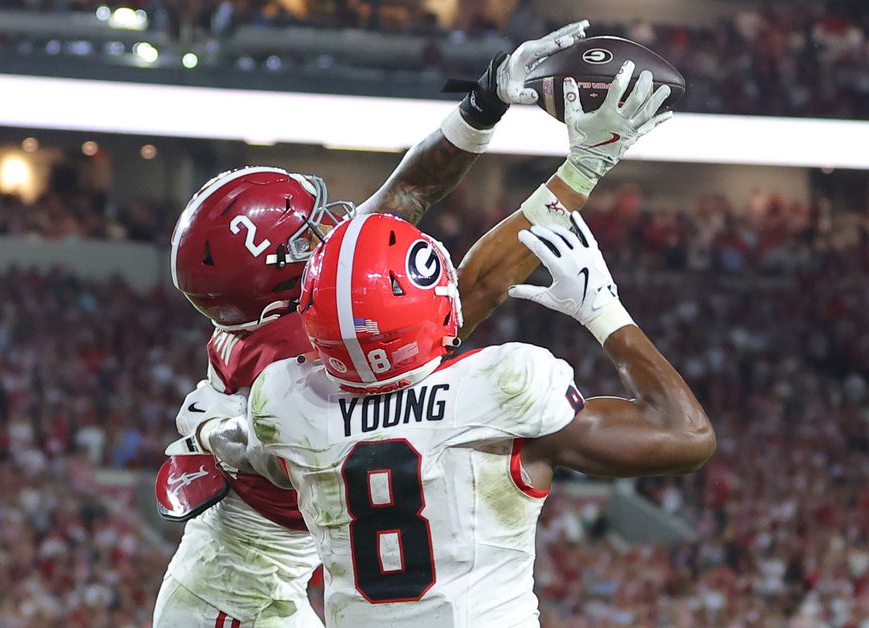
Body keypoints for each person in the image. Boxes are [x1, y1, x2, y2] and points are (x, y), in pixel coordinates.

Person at [153, 21, 639, 628]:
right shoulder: (306, 345)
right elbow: (470, 290)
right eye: (307, 235)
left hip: (243, 582)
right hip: (240, 605)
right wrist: (580, 172)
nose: (330, 225)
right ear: (278, 279)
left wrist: (484, 101)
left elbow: (405, 193)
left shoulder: (265, 314)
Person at [242, 66, 711, 626]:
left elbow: (409, 330)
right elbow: (687, 436)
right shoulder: (502, 387)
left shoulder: (283, 402)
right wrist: (603, 309)